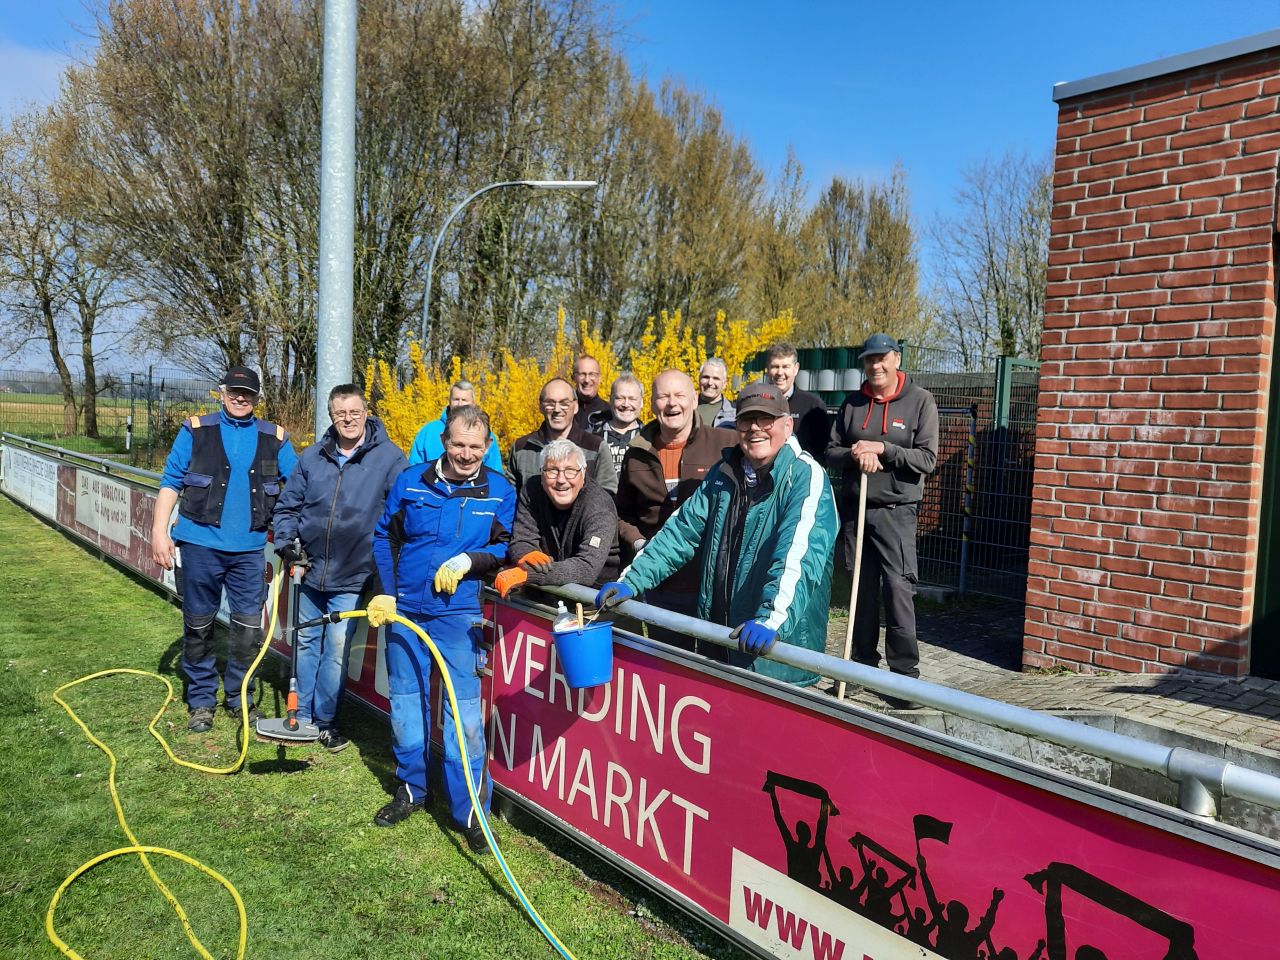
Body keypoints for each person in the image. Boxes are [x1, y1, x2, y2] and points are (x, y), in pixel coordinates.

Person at [598, 382, 836, 686]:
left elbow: (798, 558)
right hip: (723, 641)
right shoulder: (724, 473)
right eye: (747, 420)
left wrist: (772, 619)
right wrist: (632, 580)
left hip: (776, 655)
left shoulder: (804, 478)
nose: (756, 429)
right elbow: (681, 532)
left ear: (787, 425)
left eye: (767, 420)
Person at [367, 405, 516, 849]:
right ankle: (411, 789)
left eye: (476, 446)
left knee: (464, 715)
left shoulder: (500, 490)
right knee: (408, 705)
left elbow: (508, 548)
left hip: (459, 615)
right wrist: (385, 590)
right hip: (405, 609)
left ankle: (470, 811)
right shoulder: (411, 480)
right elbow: (384, 536)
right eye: (458, 444)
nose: (467, 454)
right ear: (443, 443)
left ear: (487, 448)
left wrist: (473, 560)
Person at [150, 366, 299, 732]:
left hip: (249, 551)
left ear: (257, 398)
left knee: (248, 629)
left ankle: (239, 697)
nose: (240, 398)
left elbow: (298, 487)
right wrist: (158, 531)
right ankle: (201, 700)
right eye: (234, 391)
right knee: (199, 625)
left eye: (247, 393)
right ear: (222, 392)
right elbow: (170, 482)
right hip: (199, 545)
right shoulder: (196, 430)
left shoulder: (275, 438)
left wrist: (292, 536)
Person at [270, 384, 405, 752]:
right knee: (307, 642)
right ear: (331, 416)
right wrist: (286, 544)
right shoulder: (313, 456)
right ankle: (302, 716)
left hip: (352, 573)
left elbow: (400, 518)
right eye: (340, 413)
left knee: (336, 648)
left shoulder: (390, 459)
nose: (348, 419)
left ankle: (326, 721)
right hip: (309, 570)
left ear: (367, 413)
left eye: (354, 412)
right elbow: (287, 507)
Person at [826, 333, 938, 698]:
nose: (875, 366)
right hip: (856, 513)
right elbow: (831, 450)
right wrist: (857, 452)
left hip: (896, 513)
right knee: (860, 593)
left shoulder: (920, 402)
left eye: (881, 359)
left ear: (896, 360)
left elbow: (927, 460)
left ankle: (904, 677)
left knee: (897, 590)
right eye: (869, 360)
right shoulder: (853, 404)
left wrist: (884, 449)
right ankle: (860, 669)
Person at [616, 370, 736, 628]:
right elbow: (621, 514)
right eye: (663, 396)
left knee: (712, 663)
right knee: (668, 658)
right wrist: (638, 542)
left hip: (712, 582)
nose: (672, 403)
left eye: (680, 395)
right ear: (651, 404)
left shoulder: (726, 445)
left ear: (695, 400)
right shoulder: (636, 454)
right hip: (661, 583)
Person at [495, 439, 620, 598]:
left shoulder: (599, 506)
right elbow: (521, 539)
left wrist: (528, 574)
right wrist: (525, 554)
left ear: (583, 472)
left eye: (570, 470)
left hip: (595, 602)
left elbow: (586, 568)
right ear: (541, 473)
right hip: (545, 596)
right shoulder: (532, 490)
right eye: (552, 470)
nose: (561, 480)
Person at [509, 377, 617, 495]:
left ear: (575, 406)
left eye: (564, 403)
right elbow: (510, 497)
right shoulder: (522, 447)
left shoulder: (595, 447)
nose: (557, 409)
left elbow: (607, 495)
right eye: (550, 403)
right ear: (540, 406)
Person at [406, 380, 503, 472]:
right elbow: (414, 467)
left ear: (473, 403)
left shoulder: (484, 434)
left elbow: (494, 471)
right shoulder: (428, 431)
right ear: (449, 401)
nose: (460, 404)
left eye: (464, 400)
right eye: (456, 399)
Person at [766, 341, 829, 460]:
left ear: (796, 369)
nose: (780, 373)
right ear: (768, 369)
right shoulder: (758, 402)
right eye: (775, 367)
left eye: (785, 367)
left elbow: (821, 450)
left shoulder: (813, 405)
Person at [593, 373, 644, 475]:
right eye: (620, 398)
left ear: (641, 402)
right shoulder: (593, 436)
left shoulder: (650, 438)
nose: (626, 404)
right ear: (611, 400)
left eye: (632, 399)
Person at [572, 354, 611, 430]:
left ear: (599, 379)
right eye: (582, 374)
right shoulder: (564, 410)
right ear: (574, 377)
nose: (587, 380)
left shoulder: (609, 413)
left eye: (592, 374)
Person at [696, 357, 735, 429]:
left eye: (716, 378)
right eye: (706, 377)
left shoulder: (734, 413)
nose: (710, 383)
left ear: (724, 384)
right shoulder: (686, 408)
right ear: (699, 379)